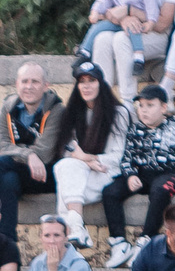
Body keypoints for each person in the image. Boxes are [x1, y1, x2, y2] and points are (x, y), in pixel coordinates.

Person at [102, 83, 175, 262]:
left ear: (164, 107)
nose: (144, 110)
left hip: (172, 175)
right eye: (141, 106)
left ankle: (146, 239)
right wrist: (131, 175)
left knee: (160, 190)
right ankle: (119, 242)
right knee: (110, 191)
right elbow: (127, 159)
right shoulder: (135, 130)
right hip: (143, 176)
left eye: (150, 105)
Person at [44, 58, 120, 244]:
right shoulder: (75, 112)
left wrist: (87, 158)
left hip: (109, 173)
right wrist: (85, 161)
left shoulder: (119, 113)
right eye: (82, 82)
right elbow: (67, 150)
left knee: (66, 182)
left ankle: (70, 229)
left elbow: (118, 157)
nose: (86, 86)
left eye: (91, 81)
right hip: (82, 172)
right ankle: (75, 228)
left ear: (101, 84)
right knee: (64, 166)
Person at [0, 61, 58, 231]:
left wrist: (27, 154)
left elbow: (44, 153)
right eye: (24, 81)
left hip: (46, 175)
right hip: (19, 172)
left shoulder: (57, 110)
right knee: (8, 180)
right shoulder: (8, 107)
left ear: (46, 86)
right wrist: (28, 155)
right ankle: (9, 244)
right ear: (17, 84)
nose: (29, 87)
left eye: (35, 82)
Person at [84, 0, 164, 97]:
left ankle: (128, 98)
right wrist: (97, 12)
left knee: (122, 38)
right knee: (102, 38)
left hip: (148, 31)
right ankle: (102, 94)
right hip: (118, 24)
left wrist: (134, 14)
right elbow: (107, 7)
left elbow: (158, 19)